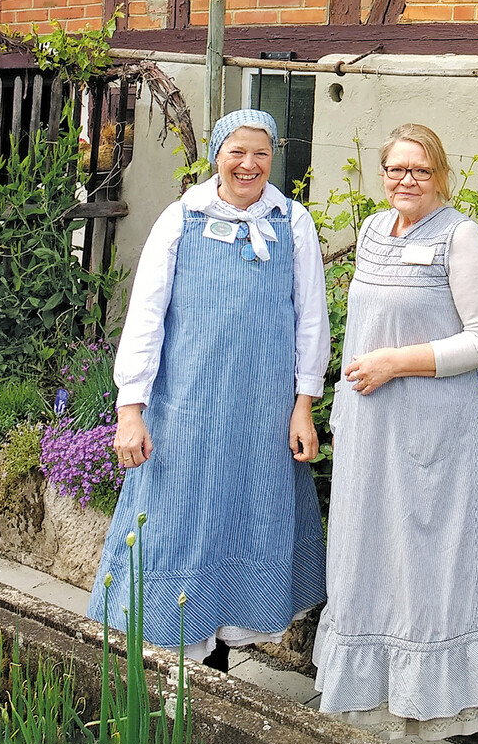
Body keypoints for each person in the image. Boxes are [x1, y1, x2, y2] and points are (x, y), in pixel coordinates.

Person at [87, 109, 330, 672]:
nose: (249, 165)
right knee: (179, 519)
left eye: (262, 154)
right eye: (237, 152)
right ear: (216, 155)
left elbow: (310, 322)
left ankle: (218, 662)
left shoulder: (292, 224)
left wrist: (303, 407)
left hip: (262, 416)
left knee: (245, 515)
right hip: (189, 411)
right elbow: (145, 319)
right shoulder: (181, 220)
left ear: (274, 158)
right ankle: (171, 661)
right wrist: (131, 410)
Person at [312, 123, 478, 739]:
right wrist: (346, 409)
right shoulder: (375, 230)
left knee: (431, 557)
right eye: (396, 169)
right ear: (382, 175)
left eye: (420, 170)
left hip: (435, 435)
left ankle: (433, 699)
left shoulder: (461, 237)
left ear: (441, 175)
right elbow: (361, 331)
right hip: (371, 428)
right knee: (370, 551)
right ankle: (373, 693)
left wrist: (394, 363)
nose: (406, 180)